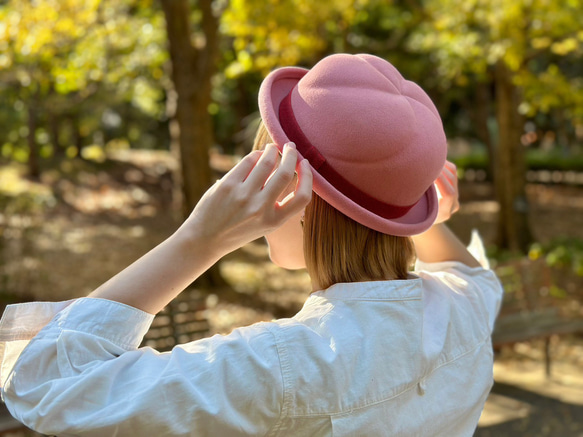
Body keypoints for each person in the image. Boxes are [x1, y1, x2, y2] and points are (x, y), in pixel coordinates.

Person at [0, 54, 503, 436]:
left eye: (267, 166)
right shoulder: (464, 312)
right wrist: (407, 201)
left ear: (304, 198)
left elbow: (44, 382)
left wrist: (199, 240)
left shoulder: (283, 366)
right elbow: (474, 275)